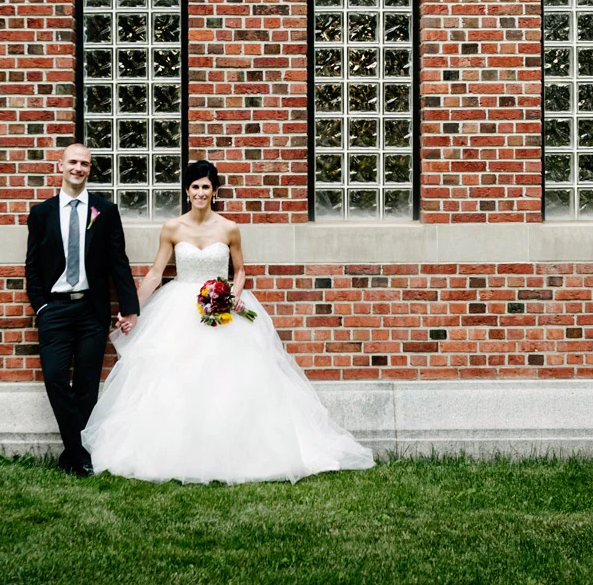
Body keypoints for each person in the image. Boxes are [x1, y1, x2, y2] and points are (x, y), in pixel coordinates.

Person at [81, 159, 375, 483]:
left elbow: (240, 270)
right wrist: (133, 309)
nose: (200, 192)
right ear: (187, 191)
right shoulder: (173, 228)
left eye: (206, 187)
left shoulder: (229, 228)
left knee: (231, 381)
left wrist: (233, 293)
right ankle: (179, 454)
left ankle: (238, 454)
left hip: (222, 309)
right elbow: (155, 273)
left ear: (215, 191)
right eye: (195, 186)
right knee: (176, 381)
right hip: (179, 308)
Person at [25, 142, 139, 476]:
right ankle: (78, 452)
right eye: (73, 162)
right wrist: (41, 307)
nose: (78, 168)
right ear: (60, 166)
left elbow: (118, 262)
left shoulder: (105, 211)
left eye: (85, 164)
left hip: (92, 310)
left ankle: (77, 457)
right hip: (55, 310)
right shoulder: (41, 214)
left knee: (87, 385)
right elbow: (32, 267)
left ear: (90, 170)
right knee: (55, 378)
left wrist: (130, 308)